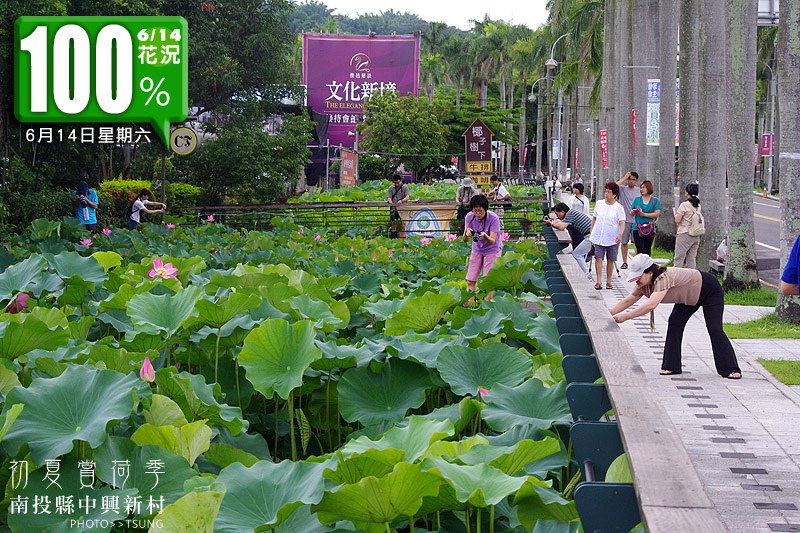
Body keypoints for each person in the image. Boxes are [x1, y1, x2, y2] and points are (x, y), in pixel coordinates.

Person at [610, 254, 742, 379]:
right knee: (674, 323)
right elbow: (628, 300)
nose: (636, 282)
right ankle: (672, 366)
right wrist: (609, 313)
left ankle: (731, 368)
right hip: (688, 297)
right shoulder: (644, 284)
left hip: (709, 290)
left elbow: (651, 305)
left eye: (638, 278)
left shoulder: (663, 278)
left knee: (715, 328)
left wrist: (626, 317)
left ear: (650, 273)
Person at [462, 194, 502, 304]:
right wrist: (467, 233)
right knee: (471, 279)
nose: (477, 213)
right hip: (477, 249)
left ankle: (486, 305)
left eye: (480, 211)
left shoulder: (493, 218)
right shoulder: (469, 217)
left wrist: (484, 235)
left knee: (489, 281)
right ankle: (471, 305)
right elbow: (464, 239)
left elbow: (493, 240)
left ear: (485, 209)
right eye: (475, 211)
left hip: (492, 249)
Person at [589, 182, 626, 290]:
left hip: (612, 237)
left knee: (611, 259)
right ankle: (599, 281)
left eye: (609, 192)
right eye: (606, 191)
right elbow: (594, 218)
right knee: (598, 257)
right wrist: (592, 230)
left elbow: (622, 222)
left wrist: (620, 234)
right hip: (599, 235)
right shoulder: (600, 203)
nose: (606, 194)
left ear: (614, 194)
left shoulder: (618, 207)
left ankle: (609, 281)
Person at [546, 202, 593, 280]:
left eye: (557, 214)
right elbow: (560, 223)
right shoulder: (571, 212)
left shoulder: (570, 214)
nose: (557, 216)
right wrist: (554, 222)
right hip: (589, 235)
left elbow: (561, 227)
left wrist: (551, 223)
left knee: (577, 254)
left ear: (562, 212)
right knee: (577, 254)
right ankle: (586, 274)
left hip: (591, 235)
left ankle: (587, 275)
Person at [615, 171, 641, 268]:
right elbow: (614, 186)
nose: (631, 181)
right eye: (629, 179)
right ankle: (625, 262)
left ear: (636, 181)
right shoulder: (622, 189)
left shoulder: (639, 190)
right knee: (624, 242)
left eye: (633, 180)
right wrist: (624, 178)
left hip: (636, 221)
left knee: (636, 243)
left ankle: (637, 263)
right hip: (625, 220)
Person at [629, 180, 662, 256]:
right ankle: (640, 266)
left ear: (649, 188)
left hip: (649, 228)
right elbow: (631, 212)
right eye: (641, 187)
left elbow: (657, 214)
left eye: (644, 187)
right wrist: (634, 211)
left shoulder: (655, 201)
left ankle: (647, 266)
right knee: (640, 250)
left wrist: (644, 214)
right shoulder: (637, 200)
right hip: (637, 228)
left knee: (647, 250)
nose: (642, 189)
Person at [674, 183, 702, 269]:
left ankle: (676, 278)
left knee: (679, 258)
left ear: (687, 192)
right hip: (696, 234)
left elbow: (677, 220)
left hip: (685, 233)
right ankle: (691, 278)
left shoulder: (684, 205)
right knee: (691, 259)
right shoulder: (698, 205)